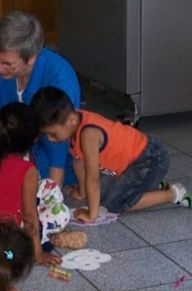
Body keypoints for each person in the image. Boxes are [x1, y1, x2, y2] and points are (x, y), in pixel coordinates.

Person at [31, 86, 192, 223]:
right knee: (104, 192)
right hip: (135, 163)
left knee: (115, 203)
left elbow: (92, 178)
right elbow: (78, 162)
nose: (50, 139)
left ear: (71, 121)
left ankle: (173, 194)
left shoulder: (88, 134)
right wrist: (82, 192)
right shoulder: (73, 122)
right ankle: (154, 184)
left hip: (149, 159)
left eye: (52, 133)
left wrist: (91, 214)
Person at [0, 103, 85, 266]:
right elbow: (29, 214)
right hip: (14, 234)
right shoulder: (28, 170)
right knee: (61, 211)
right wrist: (38, 253)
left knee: (47, 186)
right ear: (35, 138)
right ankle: (42, 241)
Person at [0, 10, 80, 187]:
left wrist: (53, 192)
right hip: (10, 135)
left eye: (7, 64)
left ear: (31, 58)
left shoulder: (60, 77)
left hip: (45, 149)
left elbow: (59, 139)